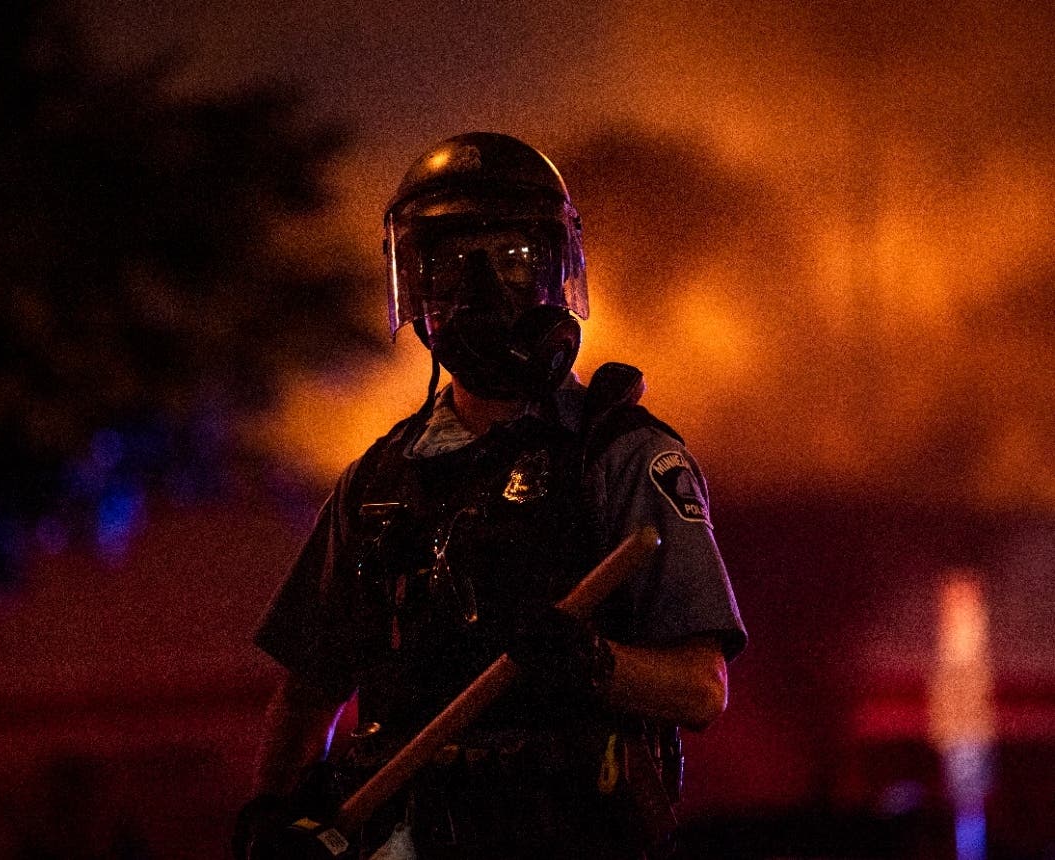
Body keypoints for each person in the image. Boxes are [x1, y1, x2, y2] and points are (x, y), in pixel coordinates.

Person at [234, 132, 747, 860]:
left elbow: (701, 689)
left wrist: (589, 661)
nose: (482, 295)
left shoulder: (621, 458)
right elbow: (307, 690)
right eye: (449, 267)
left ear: (555, 271)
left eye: (512, 261)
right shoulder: (376, 482)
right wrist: (270, 817)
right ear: (414, 285)